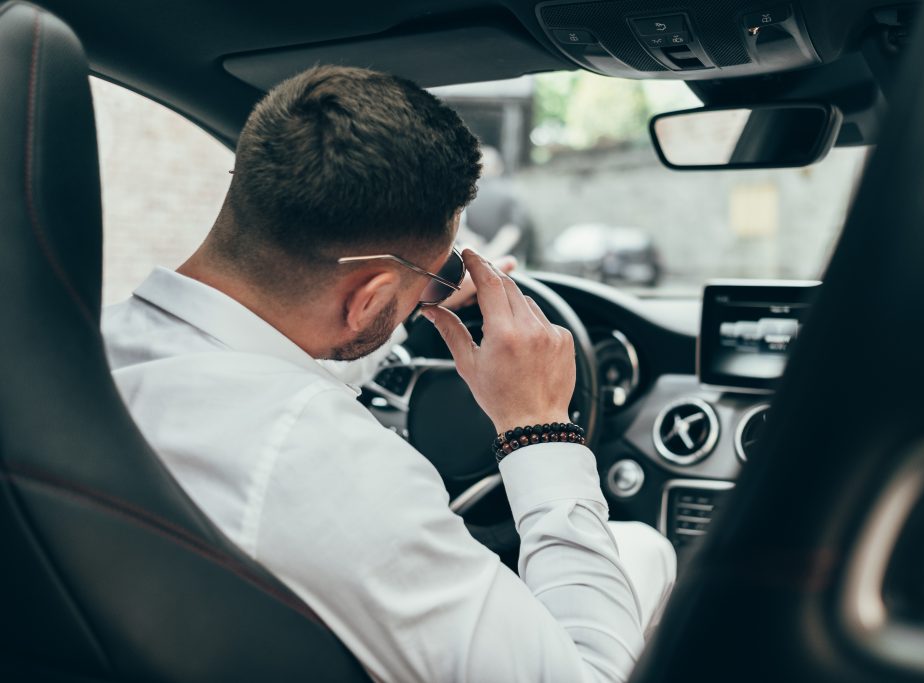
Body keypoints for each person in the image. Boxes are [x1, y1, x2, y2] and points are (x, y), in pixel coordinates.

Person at [102, 65, 675, 683]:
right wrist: (538, 428)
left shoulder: (98, 346)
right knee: (646, 549)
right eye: (442, 273)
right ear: (369, 298)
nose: (443, 287)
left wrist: (404, 307)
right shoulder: (322, 456)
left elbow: (273, 362)